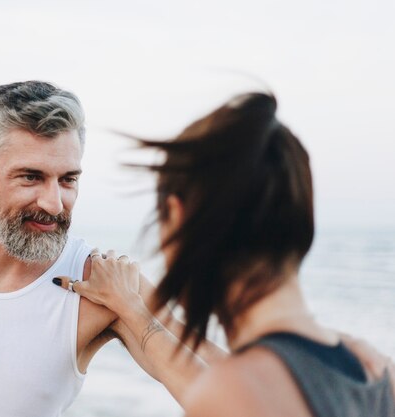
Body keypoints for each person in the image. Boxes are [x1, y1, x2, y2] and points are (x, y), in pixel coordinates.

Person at [0, 80, 225, 417]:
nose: (55, 204)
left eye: (68, 179)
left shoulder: (99, 285)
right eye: (31, 177)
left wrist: (132, 309)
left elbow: (231, 397)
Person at [54, 92, 395, 416]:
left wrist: (137, 312)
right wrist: (136, 309)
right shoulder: (372, 368)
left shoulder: (232, 396)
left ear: (177, 216)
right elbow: (258, 374)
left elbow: (239, 389)